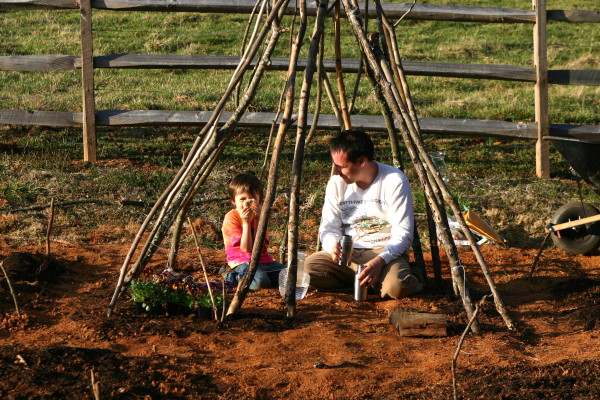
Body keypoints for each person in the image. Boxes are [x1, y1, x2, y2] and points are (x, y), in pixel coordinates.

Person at [304, 129, 423, 299]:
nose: (336, 172)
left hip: (383, 252)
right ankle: (368, 284)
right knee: (311, 268)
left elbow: (403, 234)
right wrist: (333, 247)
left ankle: (409, 276)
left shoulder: (394, 180)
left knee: (397, 287)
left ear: (361, 161)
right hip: (349, 254)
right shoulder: (336, 183)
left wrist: (379, 262)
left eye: (342, 167)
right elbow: (329, 227)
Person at [221, 173, 285, 290]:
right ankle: (230, 275)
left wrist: (258, 219)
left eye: (252, 199)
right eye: (242, 199)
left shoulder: (261, 216)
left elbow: (259, 246)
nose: (248, 203)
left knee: (289, 275)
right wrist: (245, 223)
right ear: (233, 201)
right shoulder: (232, 217)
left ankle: (267, 278)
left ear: (260, 199)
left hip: (264, 261)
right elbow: (247, 249)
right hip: (242, 262)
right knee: (260, 282)